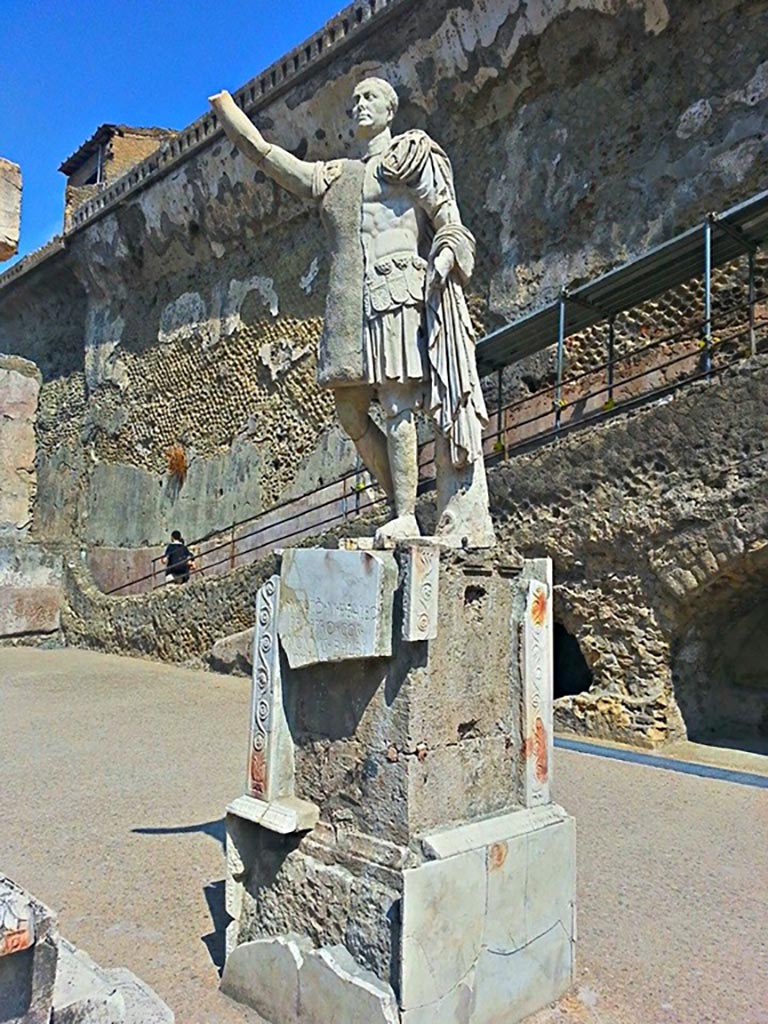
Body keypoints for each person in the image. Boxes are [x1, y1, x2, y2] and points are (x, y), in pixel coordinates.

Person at [209, 77, 494, 548]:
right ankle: (401, 506)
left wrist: (446, 254)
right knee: (350, 411)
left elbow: (448, 217)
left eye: (370, 99)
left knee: (399, 404)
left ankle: (405, 515)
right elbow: (268, 156)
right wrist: (227, 113)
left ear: (390, 109)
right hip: (349, 305)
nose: (360, 105)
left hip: (398, 289)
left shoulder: (411, 155)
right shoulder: (337, 174)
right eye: (355, 100)